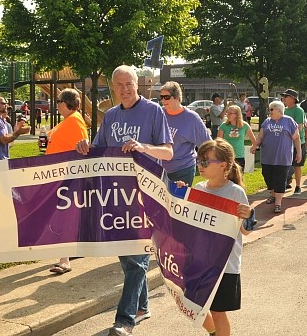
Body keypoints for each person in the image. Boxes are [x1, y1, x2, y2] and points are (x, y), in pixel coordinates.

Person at [76, 65, 173, 336]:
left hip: (145, 197)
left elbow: (167, 153)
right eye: (119, 85)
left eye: (129, 83)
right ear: (113, 89)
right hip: (116, 197)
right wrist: (85, 147)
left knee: (137, 259)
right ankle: (142, 306)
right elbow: (98, 151)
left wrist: (143, 148)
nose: (125, 89)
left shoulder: (154, 112)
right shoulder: (110, 116)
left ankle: (125, 319)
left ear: (137, 84)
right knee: (127, 257)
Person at [182, 139, 252, 336]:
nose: (200, 165)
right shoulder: (198, 189)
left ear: (223, 166)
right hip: (199, 261)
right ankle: (214, 333)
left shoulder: (235, 193)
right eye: (199, 160)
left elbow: (245, 231)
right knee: (193, 305)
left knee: (218, 311)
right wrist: (179, 195)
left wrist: (248, 216)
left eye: (205, 162)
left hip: (224, 264)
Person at [47, 88, 89, 274]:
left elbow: (83, 151)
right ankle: (74, 249)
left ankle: (65, 260)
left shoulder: (75, 122)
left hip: (67, 178)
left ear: (64, 103)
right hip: (57, 176)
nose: (56, 105)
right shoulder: (69, 121)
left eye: (57, 102)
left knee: (62, 216)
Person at [250, 100, 301, 213]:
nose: (270, 111)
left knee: (280, 179)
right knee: (268, 177)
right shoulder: (266, 122)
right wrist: (255, 145)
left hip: (283, 157)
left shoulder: (289, 121)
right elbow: (260, 137)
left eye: (271, 109)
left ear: (279, 110)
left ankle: (278, 202)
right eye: (269, 109)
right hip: (267, 157)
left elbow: (296, 138)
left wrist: (299, 152)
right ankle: (273, 194)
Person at [159, 81, 211, 186]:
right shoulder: (158, 113)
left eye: (167, 97)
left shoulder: (192, 118)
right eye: (161, 97)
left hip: (182, 170)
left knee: (179, 201)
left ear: (177, 97)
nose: (163, 100)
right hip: (159, 170)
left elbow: (207, 144)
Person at [280, 89, 306, 194]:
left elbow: (299, 127)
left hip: (297, 142)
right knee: (284, 164)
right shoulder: (283, 110)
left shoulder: (298, 110)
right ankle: (285, 182)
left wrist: (288, 135)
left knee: (297, 165)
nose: (283, 99)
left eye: (285, 97)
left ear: (292, 98)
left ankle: (298, 186)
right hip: (285, 143)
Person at [217, 105, 256, 171]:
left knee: (238, 179)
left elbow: (254, 140)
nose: (227, 115)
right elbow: (218, 142)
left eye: (230, 113)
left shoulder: (245, 125)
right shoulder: (223, 126)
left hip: (239, 156)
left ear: (237, 115)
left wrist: (253, 147)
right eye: (227, 112)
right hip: (226, 157)